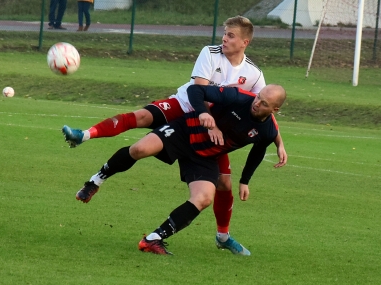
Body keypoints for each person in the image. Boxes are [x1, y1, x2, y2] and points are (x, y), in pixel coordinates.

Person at [62, 16, 287, 255]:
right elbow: (197, 90)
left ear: (245, 42)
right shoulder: (211, 53)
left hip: (213, 132)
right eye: (224, 33)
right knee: (141, 125)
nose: (224, 38)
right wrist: (211, 123)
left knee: (222, 184)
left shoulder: (253, 74)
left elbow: (265, 112)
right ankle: (85, 140)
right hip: (188, 109)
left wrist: (279, 144)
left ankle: (222, 236)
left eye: (230, 35)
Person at [74, 83, 287, 255]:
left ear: (275, 110)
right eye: (258, 97)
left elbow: (258, 151)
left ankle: (153, 239)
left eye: (264, 103)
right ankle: (95, 181)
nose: (257, 103)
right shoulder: (240, 97)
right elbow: (196, 90)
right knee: (139, 149)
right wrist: (205, 115)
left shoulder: (268, 131)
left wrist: (245, 181)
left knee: (204, 198)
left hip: (205, 156)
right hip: (185, 131)